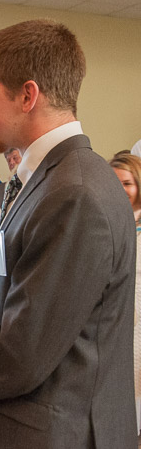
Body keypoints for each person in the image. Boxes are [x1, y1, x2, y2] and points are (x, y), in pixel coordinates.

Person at [0, 19, 137, 448]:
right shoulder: (48, 178)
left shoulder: (75, 193)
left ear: (28, 95)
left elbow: (24, 348)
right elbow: (8, 300)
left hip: (60, 432)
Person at [109, 153, 141, 436]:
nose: (121, 191)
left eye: (127, 183)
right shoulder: (101, 224)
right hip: (110, 326)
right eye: (114, 183)